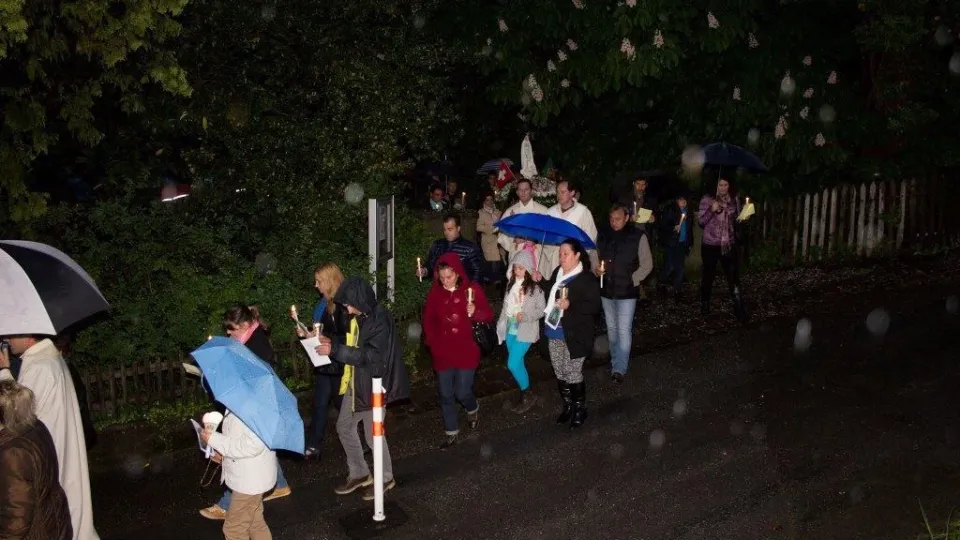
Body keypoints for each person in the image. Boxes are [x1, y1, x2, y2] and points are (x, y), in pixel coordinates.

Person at [316, 277, 411, 501]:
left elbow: (371, 357)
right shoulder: (361, 316)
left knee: (373, 435)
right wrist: (328, 342)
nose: (347, 309)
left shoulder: (379, 319)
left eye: (349, 304)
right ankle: (360, 473)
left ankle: (385, 477)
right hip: (356, 381)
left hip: (373, 385)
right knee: (344, 426)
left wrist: (334, 350)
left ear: (359, 300)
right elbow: (352, 344)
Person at [0, 336, 98, 540]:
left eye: (13, 335)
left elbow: (17, 415)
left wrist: (4, 374)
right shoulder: (48, 359)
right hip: (52, 455)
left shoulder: (38, 367)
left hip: (46, 465)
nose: (8, 340)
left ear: (28, 335)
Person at [200, 306, 291, 521]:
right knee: (264, 448)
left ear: (244, 326)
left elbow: (251, 377)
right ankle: (280, 484)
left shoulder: (256, 345)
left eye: (231, 329)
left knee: (244, 452)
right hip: (257, 405)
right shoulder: (247, 339)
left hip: (256, 406)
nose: (228, 333)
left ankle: (227, 504)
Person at [423, 253, 494, 449]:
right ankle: (451, 432)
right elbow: (428, 320)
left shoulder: (472, 290)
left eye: (449, 277)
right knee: (446, 393)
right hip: (443, 351)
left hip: (467, 349)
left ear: (458, 273)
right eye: (442, 277)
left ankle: (472, 407)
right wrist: (432, 341)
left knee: (462, 391)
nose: (446, 281)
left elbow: (488, 315)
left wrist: (475, 312)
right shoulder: (435, 293)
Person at [533, 239, 601, 429]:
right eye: (560, 254)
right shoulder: (558, 272)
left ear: (577, 255)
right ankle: (568, 405)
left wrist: (571, 305)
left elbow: (594, 306)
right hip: (554, 330)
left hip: (576, 334)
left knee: (572, 372)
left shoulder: (586, 279)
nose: (561, 257)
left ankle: (580, 409)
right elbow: (552, 292)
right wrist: (542, 281)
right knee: (560, 371)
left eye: (566, 254)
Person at [0, 380, 72, 540]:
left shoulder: (13, 453)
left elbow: (16, 520)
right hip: (53, 521)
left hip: (38, 532)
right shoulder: (34, 426)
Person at [200, 397, 276, 540]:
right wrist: (223, 454)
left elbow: (252, 445)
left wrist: (214, 439)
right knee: (254, 523)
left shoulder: (253, 406)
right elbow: (238, 439)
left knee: (234, 530)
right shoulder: (243, 400)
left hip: (250, 481)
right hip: (250, 476)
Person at [596, 204, 653, 382]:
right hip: (607, 290)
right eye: (611, 219)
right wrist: (597, 270)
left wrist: (633, 279)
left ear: (627, 218)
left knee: (623, 330)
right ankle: (615, 361)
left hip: (627, 291)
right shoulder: (603, 234)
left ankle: (619, 368)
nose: (614, 222)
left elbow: (647, 264)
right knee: (612, 330)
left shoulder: (637, 236)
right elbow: (595, 256)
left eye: (618, 219)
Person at [301, 263, 349, 460]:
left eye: (319, 281)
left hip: (337, 363)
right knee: (319, 404)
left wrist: (329, 340)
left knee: (342, 404)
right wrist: (308, 334)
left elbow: (348, 336)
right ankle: (314, 444)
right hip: (324, 361)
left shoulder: (343, 305)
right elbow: (322, 331)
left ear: (329, 281)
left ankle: (360, 442)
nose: (316, 285)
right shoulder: (323, 303)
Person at [495, 250, 546, 413]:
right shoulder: (510, 285)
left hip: (526, 330)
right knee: (518, 362)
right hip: (510, 328)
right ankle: (526, 392)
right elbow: (505, 306)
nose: (517, 271)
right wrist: (501, 323)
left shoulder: (535, 289)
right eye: (516, 267)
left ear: (528, 269)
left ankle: (527, 393)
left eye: (521, 268)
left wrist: (525, 316)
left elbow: (542, 310)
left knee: (512, 363)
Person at [698, 178, 749, 322]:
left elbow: (737, 219)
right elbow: (701, 222)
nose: (723, 188)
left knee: (733, 276)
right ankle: (705, 303)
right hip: (710, 245)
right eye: (720, 185)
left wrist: (744, 217)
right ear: (715, 185)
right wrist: (711, 210)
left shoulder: (734, 199)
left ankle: (738, 306)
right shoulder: (707, 200)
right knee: (708, 275)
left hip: (728, 244)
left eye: (726, 185)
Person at [540, 178, 599, 278]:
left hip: (574, 261)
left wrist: (578, 253)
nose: (559, 195)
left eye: (562, 192)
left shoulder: (583, 212)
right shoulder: (550, 212)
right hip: (554, 260)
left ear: (572, 193)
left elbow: (591, 238)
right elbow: (543, 237)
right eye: (557, 192)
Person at [417, 213, 484, 284]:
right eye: (444, 229)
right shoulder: (438, 245)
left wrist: (471, 288)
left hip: (461, 287)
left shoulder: (470, 248)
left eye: (450, 229)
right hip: (440, 287)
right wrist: (424, 271)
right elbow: (431, 265)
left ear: (458, 228)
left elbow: (477, 272)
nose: (446, 232)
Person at [496, 177, 548, 261]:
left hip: (537, 254)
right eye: (520, 190)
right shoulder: (510, 211)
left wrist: (535, 240)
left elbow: (550, 233)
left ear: (531, 191)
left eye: (526, 189)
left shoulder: (543, 210)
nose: (523, 192)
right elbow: (501, 233)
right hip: (516, 253)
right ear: (517, 192)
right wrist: (513, 239)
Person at [658, 192, 694, 301]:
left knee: (680, 268)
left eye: (684, 200)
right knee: (669, 266)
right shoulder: (671, 210)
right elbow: (663, 224)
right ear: (676, 201)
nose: (682, 202)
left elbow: (690, 229)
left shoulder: (689, 211)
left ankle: (677, 290)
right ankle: (661, 283)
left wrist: (690, 243)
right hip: (672, 243)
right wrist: (673, 227)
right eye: (680, 200)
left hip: (682, 243)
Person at [474, 192, 504, 285]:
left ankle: (494, 279)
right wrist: (490, 228)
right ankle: (491, 279)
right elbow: (478, 227)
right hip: (487, 239)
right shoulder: (481, 213)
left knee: (498, 258)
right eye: (487, 200)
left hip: (498, 238)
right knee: (492, 260)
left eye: (491, 199)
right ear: (484, 201)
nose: (489, 202)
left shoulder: (498, 212)